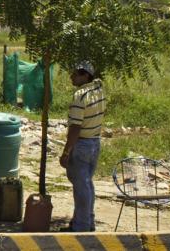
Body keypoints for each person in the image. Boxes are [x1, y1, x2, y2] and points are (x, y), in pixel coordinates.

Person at [59, 61, 105, 232]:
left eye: (75, 74)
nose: (71, 76)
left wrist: (66, 152)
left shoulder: (80, 97)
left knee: (81, 187)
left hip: (82, 145)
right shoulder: (99, 89)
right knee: (87, 184)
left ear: (85, 76)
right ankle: (87, 221)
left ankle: (81, 227)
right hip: (94, 142)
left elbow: (75, 128)